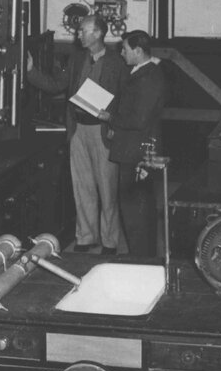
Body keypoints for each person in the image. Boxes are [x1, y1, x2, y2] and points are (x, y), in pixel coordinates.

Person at [27, 14, 126, 254]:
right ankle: (85, 237)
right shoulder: (77, 59)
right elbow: (54, 85)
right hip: (78, 130)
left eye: (83, 30)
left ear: (98, 34)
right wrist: (31, 71)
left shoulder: (117, 62)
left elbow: (125, 99)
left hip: (104, 132)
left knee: (107, 189)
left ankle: (110, 242)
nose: (78, 34)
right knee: (82, 187)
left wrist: (113, 119)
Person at [96, 30, 165, 257]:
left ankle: (141, 258)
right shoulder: (139, 73)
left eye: (125, 49)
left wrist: (110, 119)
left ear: (138, 51)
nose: (122, 53)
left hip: (138, 153)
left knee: (137, 211)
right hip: (133, 148)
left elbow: (139, 119)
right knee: (135, 210)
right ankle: (140, 255)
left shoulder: (149, 77)